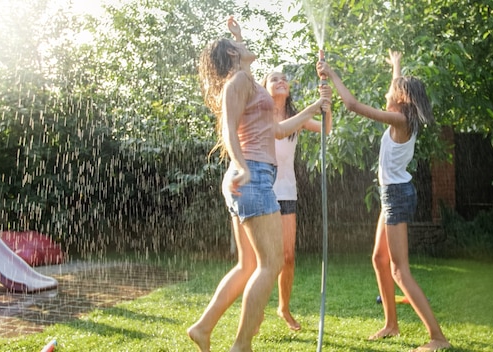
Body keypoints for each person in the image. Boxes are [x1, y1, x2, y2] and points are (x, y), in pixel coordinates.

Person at [187, 17, 330, 352]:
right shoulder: (237, 82)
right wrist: (240, 167)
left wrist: (314, 106)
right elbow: (227, 128)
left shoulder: (247, 80)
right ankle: (241, 344)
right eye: (237, 44)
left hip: (254, 176)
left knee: (250, 265)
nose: (243, 44)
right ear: (233, 55)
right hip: (251, 175)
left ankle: (203, 328)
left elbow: (277, 131)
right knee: (272, 263)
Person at [317, 50, 451, 351]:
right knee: (379, 259)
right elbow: (395, 86)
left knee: (399, 270)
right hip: (392, 194)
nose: (389, 89)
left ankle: (438, 338)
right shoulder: (402, 115)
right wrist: (397, 66)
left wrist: (332, 72)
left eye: (394, 87)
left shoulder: (399, 118)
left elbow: (351, 105)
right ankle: (391, 324)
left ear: (401, 98)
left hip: (397, 196)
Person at [261, 70, 332, 331]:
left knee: (288, 257)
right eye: (274, 79)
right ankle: (256, 313)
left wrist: (327, 102)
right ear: (265, 87)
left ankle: (283, 308)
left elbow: (326, 129)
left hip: (287, 192)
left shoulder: (296, 118)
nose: (281, 81)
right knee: (266, 259)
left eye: (284, 79)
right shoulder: (261, 115)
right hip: (262, 191)